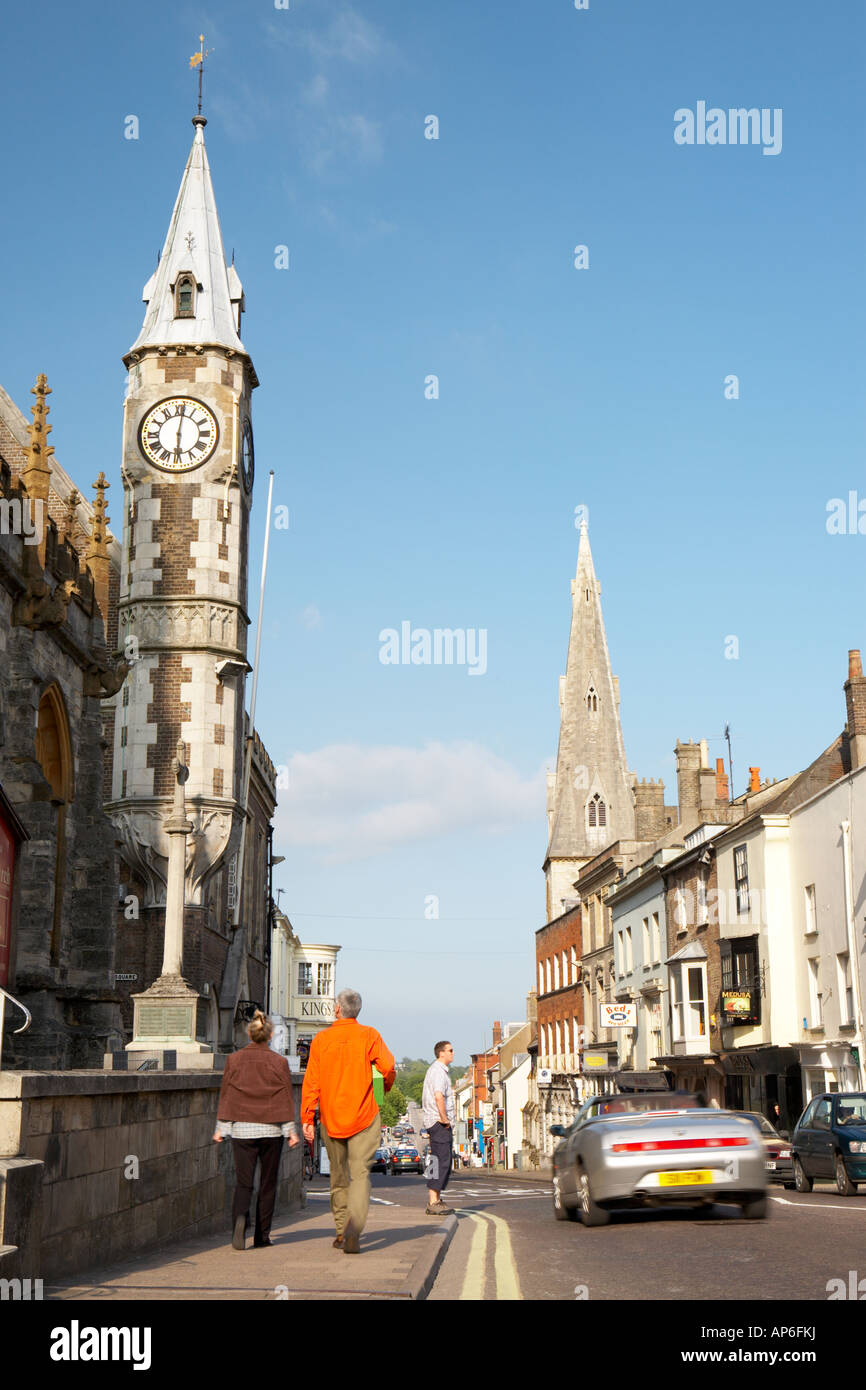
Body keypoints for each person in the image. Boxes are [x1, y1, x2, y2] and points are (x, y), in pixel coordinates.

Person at [301, 988, 395, 1255]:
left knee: (338, 1177)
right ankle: (357, 1224)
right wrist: (384, 1088)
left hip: (332, 1118)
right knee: (361, 1173)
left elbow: (312, 1082)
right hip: (364, 1116)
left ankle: (342, 1231)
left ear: (337, 1009)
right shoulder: (369, 1035)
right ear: (357, 1010)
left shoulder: (321, 1039)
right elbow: (388, 1067)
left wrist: (307, 1116)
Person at [213, 1010, 300, 1251]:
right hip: (272, 1131)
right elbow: (285, 1098)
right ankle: (262, 1236)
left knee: (244, 1183)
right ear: (270, 1036)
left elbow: (227, 1094)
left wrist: (222, 1128)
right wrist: (290, 1131)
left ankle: (240, 1222)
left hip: (242, 1130)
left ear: (249, 1034)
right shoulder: (279, 1062)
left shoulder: (234, 1060)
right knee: (268, 1183)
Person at [421, 1041, 455, 1214]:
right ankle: (433, 1202)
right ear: (441, 1053)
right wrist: (444, 1118)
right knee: (442, 1161)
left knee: (438, 1161)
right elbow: (438, 1096)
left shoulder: (436, 1070)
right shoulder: (438, 1072)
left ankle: (435, 1200)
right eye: (450, 1050)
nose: (452, 1053)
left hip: (434, 1122)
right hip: (438, 1122)